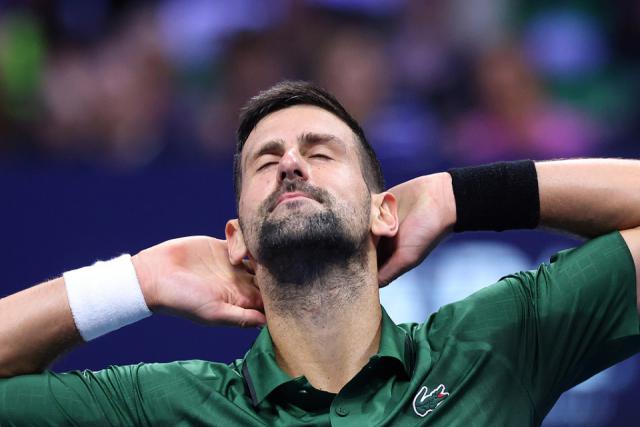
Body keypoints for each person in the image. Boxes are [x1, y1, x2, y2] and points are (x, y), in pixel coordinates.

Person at [1, 81, 639, 426]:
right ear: (238, 240)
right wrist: (139, 280)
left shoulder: (490, 348)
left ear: (383, 210)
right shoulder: (161, 406)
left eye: (320, 152)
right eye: (265, 161)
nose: (291, 164)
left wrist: (461, 196)